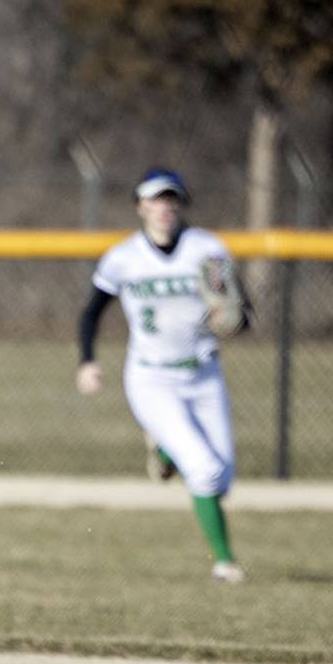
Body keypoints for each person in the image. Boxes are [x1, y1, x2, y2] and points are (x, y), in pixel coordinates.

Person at [76, 167, 249, 583]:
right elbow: (91, 311)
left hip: (204, 374)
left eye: (170, 199)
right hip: (152, 377)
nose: (163, 208)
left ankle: (165, 450)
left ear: (180, 204)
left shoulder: (206, 249)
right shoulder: (124, 258)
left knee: (221, 478)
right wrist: (88, 361)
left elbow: (238, 312)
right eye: (155, 200)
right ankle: (225, 563)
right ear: (140, 207)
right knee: (204, 470)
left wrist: (233, 318)